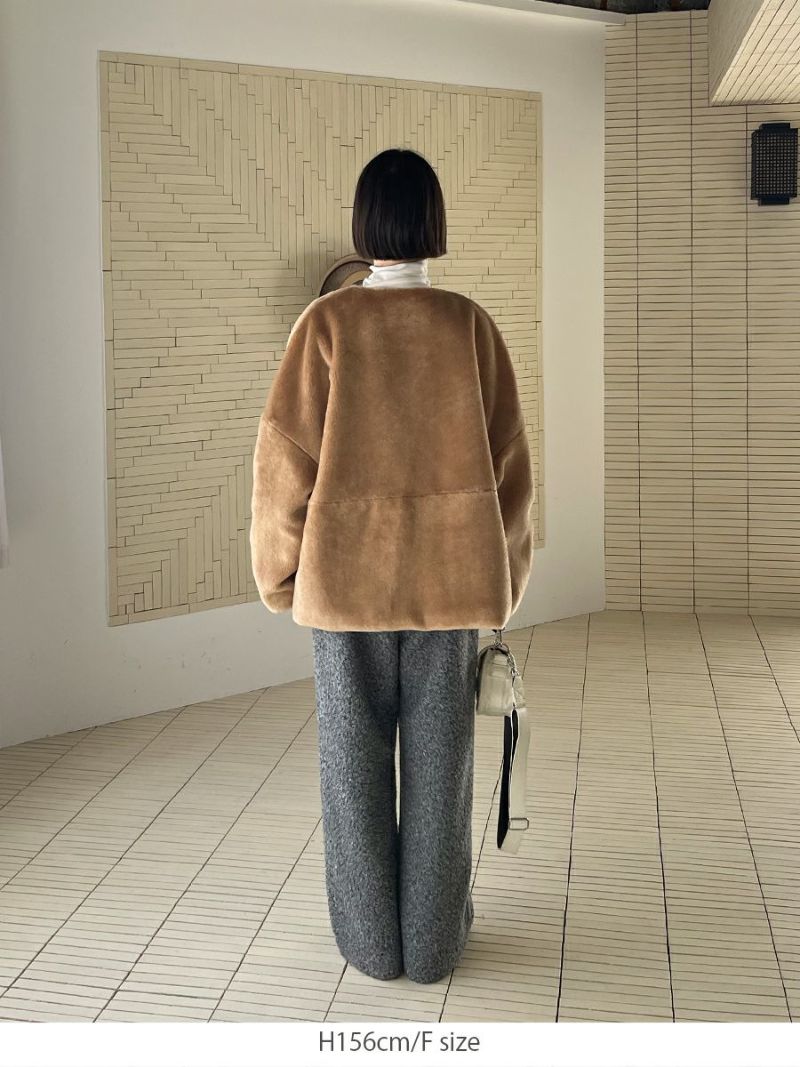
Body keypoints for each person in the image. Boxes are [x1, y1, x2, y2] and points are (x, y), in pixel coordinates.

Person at [249, 148, 535, 985]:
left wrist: (279, 577)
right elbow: (512, 473)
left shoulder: (326, 325)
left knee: (353, 773)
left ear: (365, 223)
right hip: (450, 594)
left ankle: (372, 946)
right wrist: (504, 585)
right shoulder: (470, 327)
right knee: (444, 776)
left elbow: (283, 466)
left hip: (345, 593)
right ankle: (436, 945)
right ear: (433, 221)